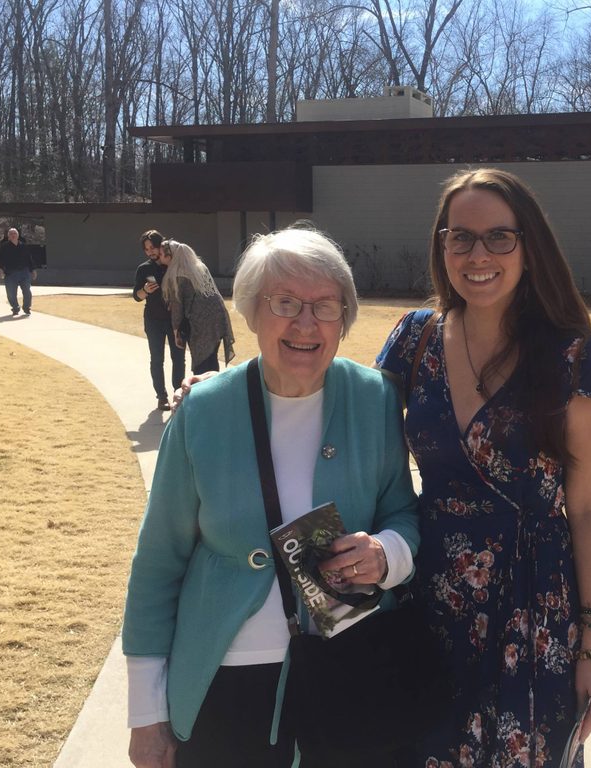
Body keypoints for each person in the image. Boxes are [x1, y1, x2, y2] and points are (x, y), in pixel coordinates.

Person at [123, 226, 420, 768]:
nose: (305, 323)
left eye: (325, 306)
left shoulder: (374, 398)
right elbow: (157, 564)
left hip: (350, 671)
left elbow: (402, 509)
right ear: (253, 312)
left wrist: (386, 554)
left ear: (343, 319)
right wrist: (146, 712)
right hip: (224, 681)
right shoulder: (203, 411)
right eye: (284, 302)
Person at [375, 168, 591, 767]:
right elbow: (343, 411)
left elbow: (588, 506)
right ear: (442, 247)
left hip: (534, 608)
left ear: (529, 247)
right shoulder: (415, 337)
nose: (477, 254)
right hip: (428, 600)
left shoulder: (575, 357)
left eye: (498, 237)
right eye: (460, 237)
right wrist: (226, 388)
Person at [158, 239, 235, 374]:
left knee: (202, 361)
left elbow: (177, 307)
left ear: (170, 256)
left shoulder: (176, 275)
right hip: (218, 316)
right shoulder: (199, 267)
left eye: (161, 255)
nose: (159, 257)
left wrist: (176, 332)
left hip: (199, 322)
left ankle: (205, 391)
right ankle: (213, 387)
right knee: (211, 357)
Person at [133, 230, 186, 411]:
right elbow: (136, 296)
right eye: (147, 249)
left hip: (175, 320)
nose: (151, 252)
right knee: (157, 359)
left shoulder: (173, 265)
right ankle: (161, 397)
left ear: (161, 244)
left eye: (153, 247)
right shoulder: (143, 269)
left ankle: (179, 393)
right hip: (153, 320)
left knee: (178, 358)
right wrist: (145, 290)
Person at [0, 227, 36, 316]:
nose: (13, 235)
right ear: (8, 236)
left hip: (24, 272)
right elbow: (1, 259)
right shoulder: (5, 247)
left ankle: (26, 307)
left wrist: (33, 270)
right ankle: (15, 307)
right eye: (11, 234)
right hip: (11, 273)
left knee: (27, 291)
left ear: (18, 235)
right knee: (11, 293)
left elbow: (29, 259)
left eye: (14, 234)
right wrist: (0, 269)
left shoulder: (23, 246)